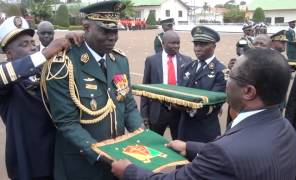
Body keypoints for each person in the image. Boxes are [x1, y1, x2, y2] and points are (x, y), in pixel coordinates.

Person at [111, 48, 296, 180]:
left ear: (248, 92)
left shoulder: (224, 152)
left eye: (230, 76)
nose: (226, 82)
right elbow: (237, 158)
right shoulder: (286, 129)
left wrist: (129, 172)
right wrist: (190, 147)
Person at [45, 1, 142, 179]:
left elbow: (128, 106)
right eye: (105, 31)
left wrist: (142, 136)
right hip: (82, 164)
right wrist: (103, 155)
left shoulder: (119, 60)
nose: (112, 37)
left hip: (117, 158)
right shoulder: (64, 64)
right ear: (86, 27)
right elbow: (66, 123)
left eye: (115, 31)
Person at [0, 16, 77, 180]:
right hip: (28, 163)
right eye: (24, 44)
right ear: (9, 54)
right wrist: (46, 52)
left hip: (56, 156)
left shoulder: (43, 69)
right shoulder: (6, 75)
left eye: (33, 42)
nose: (33, 47)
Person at [177, 26, 227, 143]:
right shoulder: (188, 67)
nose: (198, 48)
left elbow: (215, 102)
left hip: (205, 130)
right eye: (196, 44)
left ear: (213, 46)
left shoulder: (221, 71)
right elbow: (179, 92)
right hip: (185, 127)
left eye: (202, 44)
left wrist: (186, 106)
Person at [140, 30, 192, 139]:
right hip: (157, 111)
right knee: (154, 144)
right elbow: (145, 89)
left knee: (178, 144)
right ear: (163, 44)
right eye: (172, 43)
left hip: (178, 111)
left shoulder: (187, 61)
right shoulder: (152, 61)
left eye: (178, 43)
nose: (176, 46)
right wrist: (144, 115)